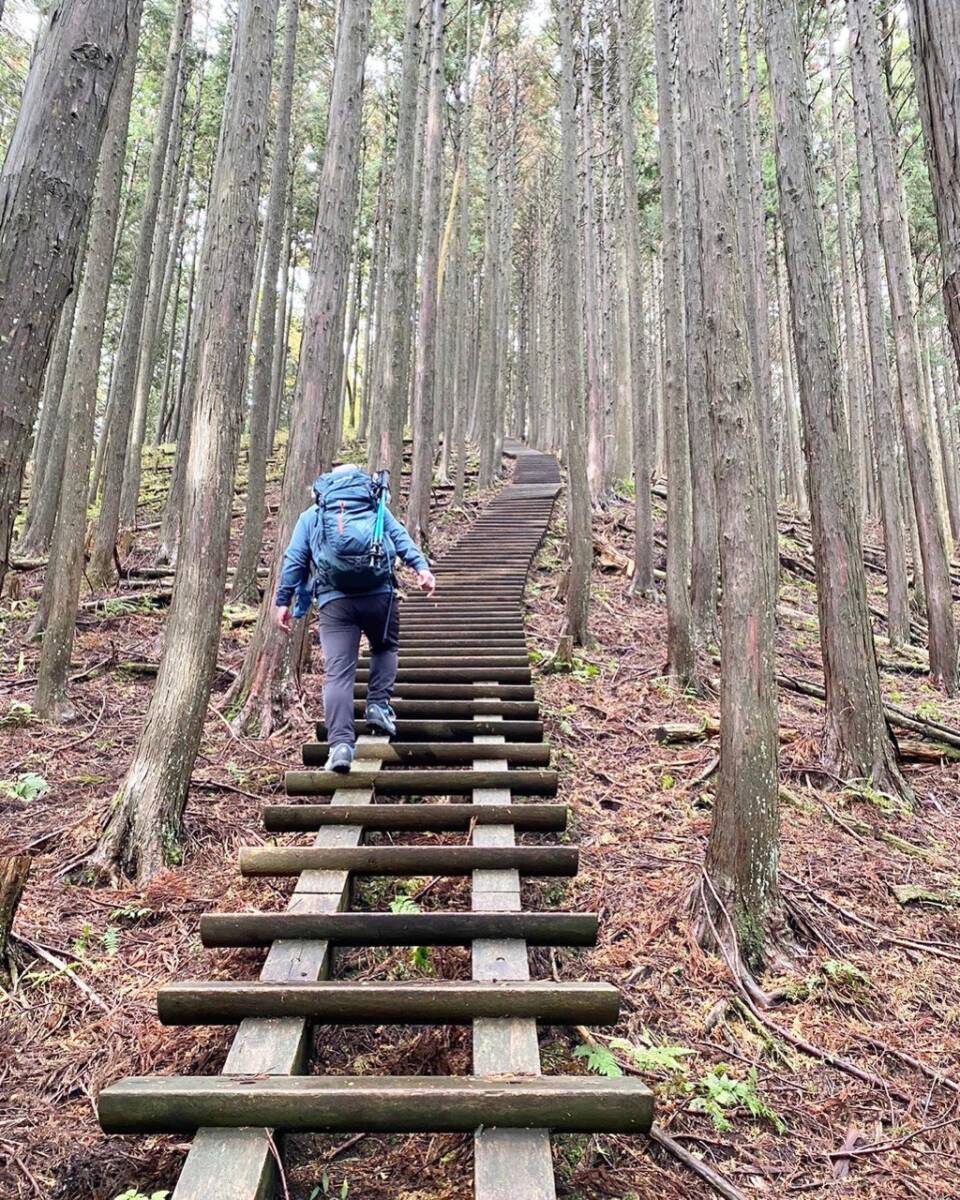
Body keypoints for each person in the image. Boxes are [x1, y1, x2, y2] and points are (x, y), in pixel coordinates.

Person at [274, 464, 436, 773]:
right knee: (385, 648)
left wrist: (284, 601)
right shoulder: (375, 507)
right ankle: (377, 705)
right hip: (379, 594)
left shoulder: (313, 515)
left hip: (335, 602)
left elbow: (295, 559)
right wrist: (422, 568)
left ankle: (340, 746)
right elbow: (400, 539)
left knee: (338, 674)